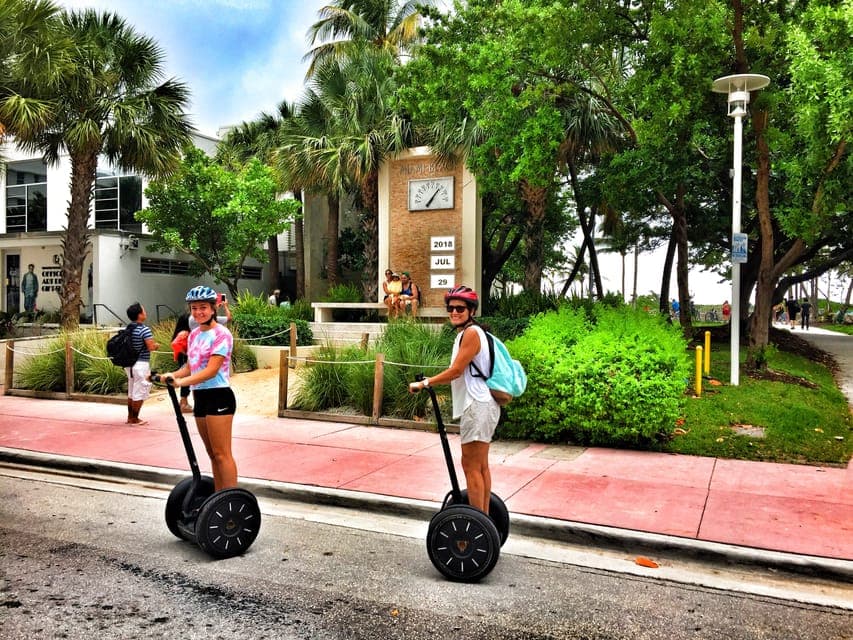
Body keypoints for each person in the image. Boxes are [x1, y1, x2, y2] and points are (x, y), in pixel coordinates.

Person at [408, 285, 499, 514]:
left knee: (471, 467)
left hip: (477, 405)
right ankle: (485, 520)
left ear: (471, 311)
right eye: (451, 308)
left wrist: (425, 383)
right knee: (480, 466)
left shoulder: (470, 334)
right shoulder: (474, 333)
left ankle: (478, 524)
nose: (454, 312)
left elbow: (456, 370)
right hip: (484, 404)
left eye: (460, 308)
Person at [160, 286, 238, 491]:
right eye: (194, 308)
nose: (198, 312)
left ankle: (230, 499)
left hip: (219, 396)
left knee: (222, 453)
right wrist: (171, 376)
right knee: (212, 454)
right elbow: (190, 366)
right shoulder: (194, 335)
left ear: (213, 309)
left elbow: (212, 370)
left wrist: (181, 383)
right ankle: (218, 497)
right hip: (200, 397)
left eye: (203, 307)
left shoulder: (222, 334)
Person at [125, 302, 159, 425]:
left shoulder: (128, 329)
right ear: (139, 315)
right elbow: (150, 347)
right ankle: (135, 418)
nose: (145, 312)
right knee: (140, 390)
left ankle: (130, 417)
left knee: (131, 390)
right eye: (143, 311)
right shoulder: (144, 329)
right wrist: (156, 346)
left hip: (129, 364)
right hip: (141, 364)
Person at [170, 313, 193, 413]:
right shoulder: (184, 332)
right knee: (187, 378)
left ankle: (183, 402)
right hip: (185, 357)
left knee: (187, 378)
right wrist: (186, 353)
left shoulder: (184, 332)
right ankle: (183, 403)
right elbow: (174, 343)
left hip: (183, 357)